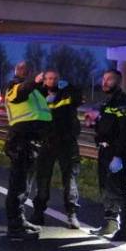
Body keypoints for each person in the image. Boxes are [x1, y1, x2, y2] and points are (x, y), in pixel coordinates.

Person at [29, 69, 83, 229]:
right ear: (44, 80)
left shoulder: (67, 93)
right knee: (43, 179)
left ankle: (72, 214)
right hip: (47, 142)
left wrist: (70, 86)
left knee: (70, 179)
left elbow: (78, 98)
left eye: (55, 78)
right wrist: (35, 83)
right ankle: (38, 213)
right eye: (49, 78)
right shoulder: (39, 94)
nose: (52, 81)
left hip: (67, 143)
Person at [3, 61, 52, 240]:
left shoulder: (34, 91)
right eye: (22, 69)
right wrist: (34, 82)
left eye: (27, 69)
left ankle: (19, 220)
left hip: (30, 142)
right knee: (18, 186)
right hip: (20, 141)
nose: (25, 71)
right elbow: (20, 93)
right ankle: (14, 227)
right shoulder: (15, 86)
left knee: (24, 186)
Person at [92, 69, 126, 242]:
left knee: (121, 189)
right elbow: (106, 127)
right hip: (104, 150)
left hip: (116, 151)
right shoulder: (108, 102)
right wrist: (94, 122)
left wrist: (118, 155)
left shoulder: (124, 102)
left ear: (118, 82)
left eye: (109, 79)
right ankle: (111, 223)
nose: (104, 82)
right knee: (106, 188)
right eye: (103, 79)